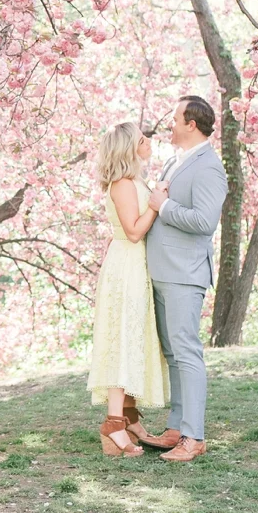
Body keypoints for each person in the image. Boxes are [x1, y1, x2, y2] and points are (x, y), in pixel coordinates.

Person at [143, 95, 228, 462]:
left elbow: (204, 222)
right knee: (173, 354)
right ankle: (177, 427)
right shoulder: (171, 161)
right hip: (161, 270)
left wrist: (164, 206)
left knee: (187, 352)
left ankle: (194, 437)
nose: (170, 124)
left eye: (175, 118)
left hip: (184, 274)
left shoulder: (209, 167)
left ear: (192, 124)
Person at [86, 121, 174, 458]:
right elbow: (134, 232)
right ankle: (113, 424)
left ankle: (129, 416)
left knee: (134, 338)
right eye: (142, 139)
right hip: (126, 266)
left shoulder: (135, 180)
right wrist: (155, 204)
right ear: (129, 148)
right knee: (122, 341)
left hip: (137, 266)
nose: (148, 141)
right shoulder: (122, 184)